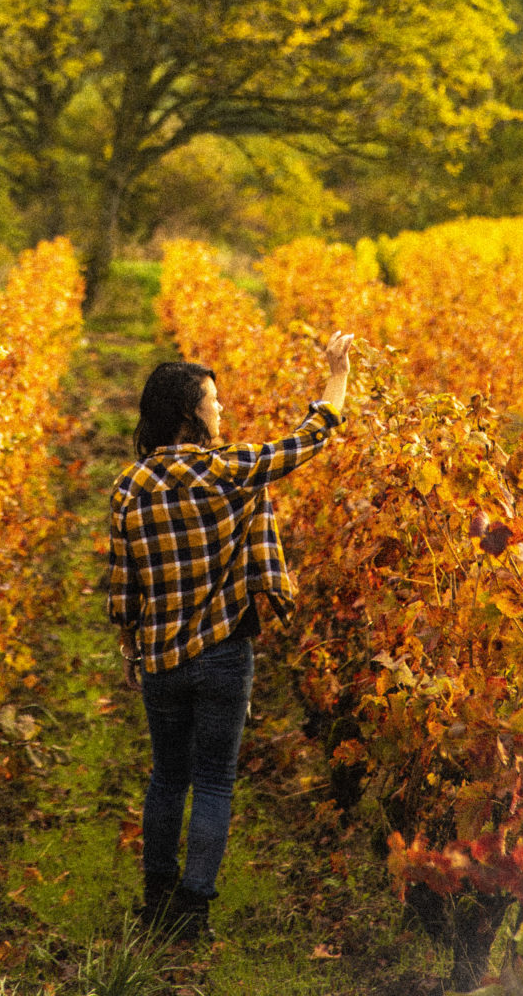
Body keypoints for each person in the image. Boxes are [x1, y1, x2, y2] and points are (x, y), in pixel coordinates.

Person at [106, 333, 353, 942]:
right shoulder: (227, 470)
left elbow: (123, 586)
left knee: (167, 776)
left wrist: (132, 649)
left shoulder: (130, 487)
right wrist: (337, 375)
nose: (220, 410)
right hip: (223, 652)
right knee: (214, 780)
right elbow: (308, 440)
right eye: (212, 401)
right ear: (191, 412)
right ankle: (193, 914)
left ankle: (156, 900)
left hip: (162, 654)